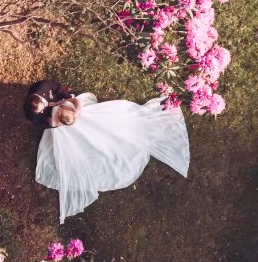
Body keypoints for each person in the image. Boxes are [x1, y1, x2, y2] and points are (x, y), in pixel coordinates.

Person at [35, 92, 190, 223]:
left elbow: (55, 121)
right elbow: (72, 104)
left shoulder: (57, 119)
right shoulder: (64, 112)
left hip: (76, 119)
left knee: (100, 140)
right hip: (76, 118)